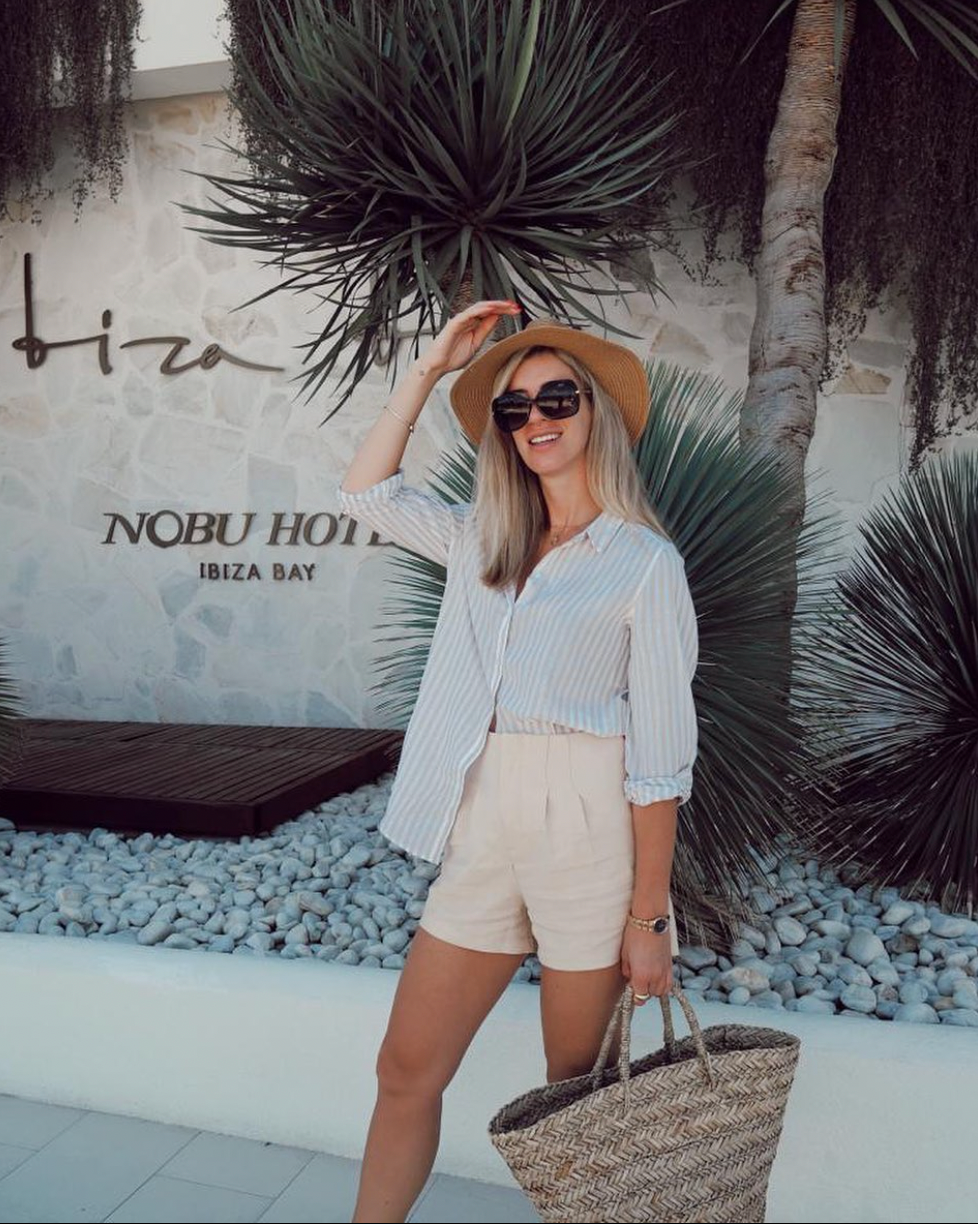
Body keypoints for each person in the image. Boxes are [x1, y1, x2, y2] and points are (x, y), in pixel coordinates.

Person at [336, 300, 699, 1224]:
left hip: (586, 821)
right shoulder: (479, 537)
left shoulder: (644, 564)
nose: (536, 419)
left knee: (571, 1095)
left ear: (595, 414)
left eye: (556, 399)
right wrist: (430, 371)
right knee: (405, 1067)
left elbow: (661, 760)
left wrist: (649, 916)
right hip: (483, 816)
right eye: (513, 408)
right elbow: (365, 494)